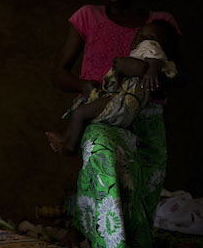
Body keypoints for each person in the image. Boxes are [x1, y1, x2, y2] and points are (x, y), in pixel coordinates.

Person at [50, 0, 181, 248]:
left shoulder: (161, 24)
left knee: (140, 197)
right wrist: (84, 85)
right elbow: (58, 73)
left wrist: (149, 71)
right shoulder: (87, 17)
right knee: (103, 157)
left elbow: (175, 76)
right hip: (104, 112)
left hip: (147, 119)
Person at [46, 19, 178, 155]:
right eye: (139, 35)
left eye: (150, 37)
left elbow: (155, 60)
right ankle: (66, 138)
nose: (142, 39)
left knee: (80, 112)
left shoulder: (150, 50)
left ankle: (70, 148)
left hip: (122, 103)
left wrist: (151, 71)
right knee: (83, 106)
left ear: (162, 45)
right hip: (124, 105)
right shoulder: (147, 56)